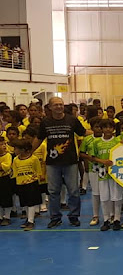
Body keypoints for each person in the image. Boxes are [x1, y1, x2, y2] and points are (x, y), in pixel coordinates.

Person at [34, 97, 86, 228]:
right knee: (53, 191)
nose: (59, 107)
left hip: (70, 161)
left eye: (61, 104)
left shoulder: (72, 120)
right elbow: (39, 138)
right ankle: (55, 217)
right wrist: (29, 152)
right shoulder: (45, 122)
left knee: (73, 191)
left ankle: (74, 216)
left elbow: (84, 133)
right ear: (50, 107)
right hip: (52, 163)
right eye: (56, 105)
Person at [92, 119, 123, 231]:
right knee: (104, 197)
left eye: (110, 127)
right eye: (105, 127)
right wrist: (103, 161)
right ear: (101, 129)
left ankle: (117, 219)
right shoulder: (96, 142)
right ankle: (106, 219)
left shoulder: (118, 141)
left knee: (117, 196)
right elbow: (93, 157)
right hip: (103, 173)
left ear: (113, 129)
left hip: (116, 172)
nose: (108, 129)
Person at [11, 139, 42, 231]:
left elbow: (38, 171)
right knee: (25, 203)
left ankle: (31, 221)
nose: (14, 150)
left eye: (16, 148)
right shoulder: (15, 160)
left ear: (23, 149)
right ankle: (28, 219)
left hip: (31, 184)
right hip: (21, 184)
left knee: (31, 203)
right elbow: (15, 173)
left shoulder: (34, 159)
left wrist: (32, 179)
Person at [79, 117, 102, 226]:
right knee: (96, 193)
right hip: (94, 169)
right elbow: (81, 153)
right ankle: (95, 215)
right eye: (96, 127)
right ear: (92, 128)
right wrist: (89, 158)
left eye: (101, 127)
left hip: (108, 170)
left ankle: (111, 216)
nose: (99, 129)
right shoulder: (87, 139)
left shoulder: (110, 139)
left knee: (108, 194)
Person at [0, 136, 12, 225]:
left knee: (6, 198)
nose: (4, 146)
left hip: (5, 179)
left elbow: (6, 167)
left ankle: (7, 217)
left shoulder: (8, 155)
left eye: (4, 144)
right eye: (1, 144)